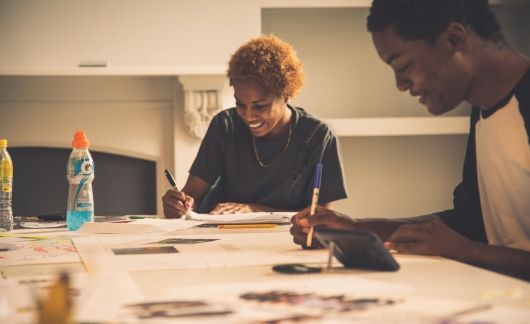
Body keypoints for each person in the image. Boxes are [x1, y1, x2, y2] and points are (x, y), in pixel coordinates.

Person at [291, 0, 530, 281]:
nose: (400, 84)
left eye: (403, 65)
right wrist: (356, 230)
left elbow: (465, 242)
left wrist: (468, 251)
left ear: (454, 39)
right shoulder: (483, 111)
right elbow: (468, 222)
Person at [163, 35, 347, 217]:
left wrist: (255, 210)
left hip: (289, 239)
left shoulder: (318, 135)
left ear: (286, 95)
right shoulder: (225, 126)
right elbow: (192, 195)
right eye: (240, 104)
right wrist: (180, 205)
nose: (248, 116)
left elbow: (320, 216)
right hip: (221, 234)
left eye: (260, 106)